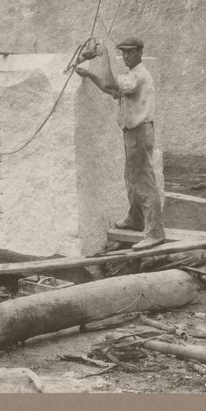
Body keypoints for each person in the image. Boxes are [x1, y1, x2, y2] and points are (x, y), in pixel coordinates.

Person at [75, 36, 165, 251]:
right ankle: (136, 220)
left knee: (143, 181)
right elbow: (113, 91)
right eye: (123, 52)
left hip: (139, 132)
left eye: (130, 52)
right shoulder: (131, 76)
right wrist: (90, 74)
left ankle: (155, 232)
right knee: (132, 177)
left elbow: (110, 82)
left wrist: (103, 54)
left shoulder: (139, 76)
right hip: (132, 132)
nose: (126, 56)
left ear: (140, 53)